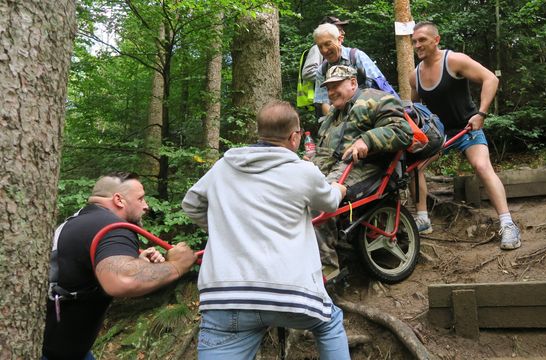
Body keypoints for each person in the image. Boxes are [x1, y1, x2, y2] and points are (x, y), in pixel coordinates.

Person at [182, 101, 350, 359]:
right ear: (295, 137)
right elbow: (328, 202)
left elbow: (191, 204)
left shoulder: (224, 167)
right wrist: (339, 189)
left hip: (224, 296)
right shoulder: (303, 171)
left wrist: (224, 231)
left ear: (259, 133)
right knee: (329, 323)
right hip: (289, 293)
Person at [42, 172, 198, 360]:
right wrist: (176, 266)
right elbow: (122, 280)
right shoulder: (114, 228)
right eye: (140, 198)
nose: (146, 206)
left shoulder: (76, 221)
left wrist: (137, 262)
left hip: (61, 346)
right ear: (119, 200)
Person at [409, 21, 521, 250]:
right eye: (414, 42)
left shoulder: (454, 60)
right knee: (415, 166)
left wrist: (481, 113)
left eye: (422, 40)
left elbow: (491, 78)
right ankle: (422, 219)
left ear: (436, 40)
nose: (417, 45)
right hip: (439, 133)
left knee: (481, 166)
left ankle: (508, 224)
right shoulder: (415, 76)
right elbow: (414, 107)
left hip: (467, 128)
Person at [312, 65, 413, 274]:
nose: (331, 92)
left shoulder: (376, 99)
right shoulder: (332, 117)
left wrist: (367, 140)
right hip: (330, 169)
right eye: (328, 88)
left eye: (336, 85)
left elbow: (402, 131)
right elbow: (322, 152)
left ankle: (327, 273)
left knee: (321, 202)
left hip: (366, 167)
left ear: (352, 83)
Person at [312, 23, 389, 115]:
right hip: (342, 119)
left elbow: (380, 88)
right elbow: (324, 102)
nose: (324, 50)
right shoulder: (322, 71)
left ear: (340, 40)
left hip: (372, 111)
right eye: (320, 47)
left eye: (328, 44)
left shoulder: (356, 57)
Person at [301, 16, 350, 117]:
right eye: (339, 29)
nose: (343, 32)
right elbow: (307, 72)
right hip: (325, 102)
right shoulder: (317, 49)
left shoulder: (346, 53)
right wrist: (332, 76)